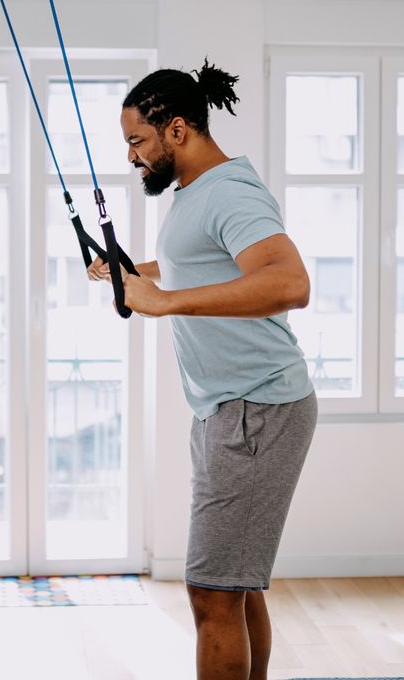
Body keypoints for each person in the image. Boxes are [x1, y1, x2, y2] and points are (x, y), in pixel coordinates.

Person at [87, 60, 317, 680]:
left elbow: (290, 282)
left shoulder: (230, 191)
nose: (133, 157)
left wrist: (166, 301)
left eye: (138, 140)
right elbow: (204, 264)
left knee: (212, 592)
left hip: (258, 407)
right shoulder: (196, 193)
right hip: (230, 408)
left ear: (179, 129)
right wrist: (138, 273)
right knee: (234, 584)